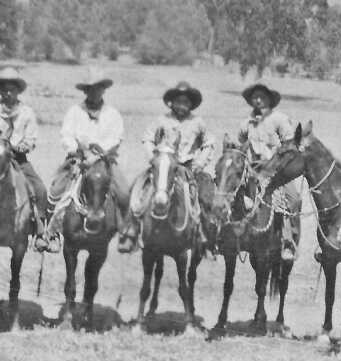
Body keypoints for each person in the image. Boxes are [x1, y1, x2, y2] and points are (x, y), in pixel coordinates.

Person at [46, 67, 134, 253]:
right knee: (55, 190)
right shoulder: (75, 111)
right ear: (85, 91)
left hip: (104, 160)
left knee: (124, 193)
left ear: (103, 90)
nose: (95, 92)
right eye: (91, 89)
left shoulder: (112, 114)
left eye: (98, 88)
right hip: (79, 158)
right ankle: (52, 232)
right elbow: (66, 134)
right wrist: (75, 150)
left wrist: (98, 155)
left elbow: (116, 138)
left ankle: (125, 232)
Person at [130, 81, 215, 249]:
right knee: (138, 188)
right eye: (178, 102)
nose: (182, 106)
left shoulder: (198, 122)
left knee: (206, 195)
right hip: (163, 164)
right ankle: (132, 230)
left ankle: (205, 236)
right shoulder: (162, 120)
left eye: (186, 102)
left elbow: (209, 143)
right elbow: (147, 138)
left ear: (191, 104)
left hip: (187, 166)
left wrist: (199, 163)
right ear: (172, 102)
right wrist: (152, 158)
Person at [238, 83, 301, 260]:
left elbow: (290, 145)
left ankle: (289, 241)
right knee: (232, 193)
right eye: (255, 97)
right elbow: (241, 142)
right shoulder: (246, 123)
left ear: (269, 100)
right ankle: (230, 238)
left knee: (293, 199)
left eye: (262, 97)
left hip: (277, 171)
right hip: (253, 171)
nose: (258, 100)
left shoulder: (280, 119)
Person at [0, 67, 48, 251]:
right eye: (4, 89)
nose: (7, 93)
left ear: (18, 91)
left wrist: (18, 147)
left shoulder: (26, 112)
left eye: (11, 90)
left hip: (18, 159)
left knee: (39, 189)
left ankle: (39, 231)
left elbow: (31, 139)